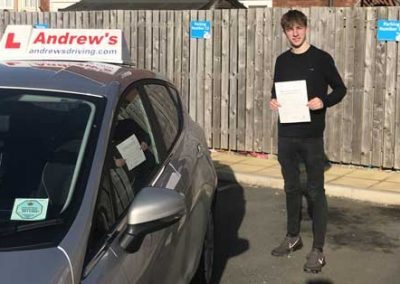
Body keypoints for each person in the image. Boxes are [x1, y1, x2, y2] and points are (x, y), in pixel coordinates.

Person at [269, 10, 346, 273]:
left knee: (315, 192)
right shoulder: (281, 61)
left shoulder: (321, 59)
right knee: (291, 188)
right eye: (290, 29)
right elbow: (275, 91)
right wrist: (273, 101)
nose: (295, 33)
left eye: (299, 27)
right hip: (287, 135)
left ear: (306, 28)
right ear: (285, 32)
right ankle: (293, 237)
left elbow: (340, 89)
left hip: (311, 137)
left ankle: (318, 250)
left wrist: (323, 101)